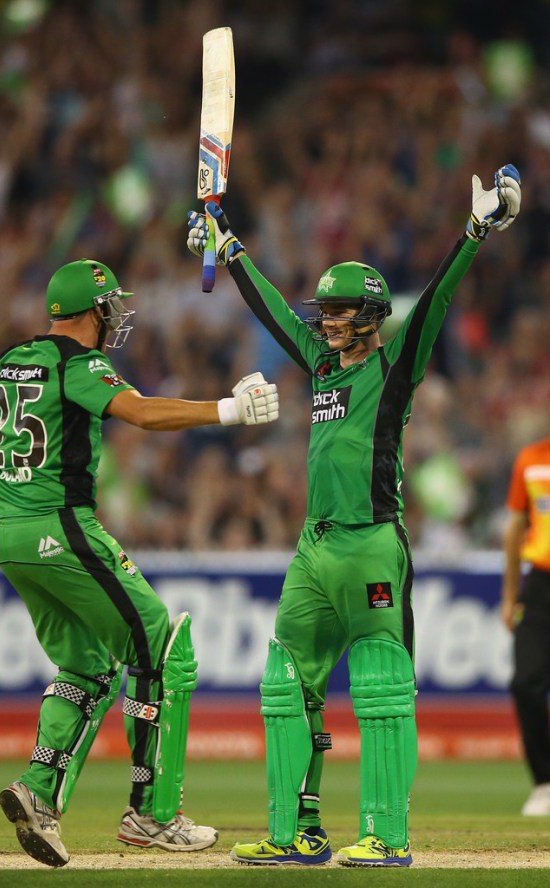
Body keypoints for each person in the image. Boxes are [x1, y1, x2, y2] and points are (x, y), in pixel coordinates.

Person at [187, 164, 522, 866]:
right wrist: (228, 245)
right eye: (327, 314)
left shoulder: (393, 369)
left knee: (380, 688)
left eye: (339, 313)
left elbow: (433, 305)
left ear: (370, 318)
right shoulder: (322, 365)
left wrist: (473, 232)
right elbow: (277, 311)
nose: (327, 322)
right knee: (285, 685)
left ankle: (387, 838)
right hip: (314, 549)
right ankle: (295, 833)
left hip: (373, 544)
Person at [0, 258, 279, 867]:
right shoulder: (80, 363)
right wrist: (228, 410)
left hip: (10, 537)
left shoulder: (11, 361)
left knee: (89, 665)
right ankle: (151, 814)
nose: (113, 315)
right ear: (93, 310)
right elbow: (142, 413)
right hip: (63, 528)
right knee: (160, 642)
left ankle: (38, 793)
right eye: (108, 306)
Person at [501, 436, 550, 817]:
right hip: (541, 585)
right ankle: (544, 784)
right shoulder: (531, 459)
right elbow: (516, 527)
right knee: (525, 682)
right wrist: (509, 595)